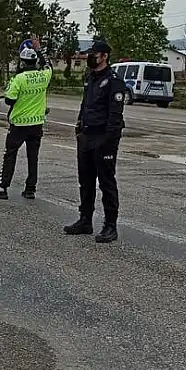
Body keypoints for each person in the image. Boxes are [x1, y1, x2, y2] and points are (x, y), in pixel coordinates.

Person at [64, 40, 125, 243]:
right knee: (86, 181)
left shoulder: (113, 81)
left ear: (104, 56)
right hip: (87, 136)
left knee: (106, 182)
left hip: (104, 138)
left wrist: (108, 140)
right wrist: (79, 125)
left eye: (94, 54)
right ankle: (85, 219)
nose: (91, 57)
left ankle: (110, 226)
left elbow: (115, 115)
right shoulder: (90, 77)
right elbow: (85, 104)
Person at [0, 41, 53, 199]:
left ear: (22, 61)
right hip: (37, 124)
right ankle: (30, 189)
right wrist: (40, 51)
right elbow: (48, 65)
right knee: (33, 157)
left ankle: (2, 187)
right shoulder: (44, 76)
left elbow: (9, 100)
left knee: (10, 154)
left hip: (19, 125)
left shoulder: (18, 78)